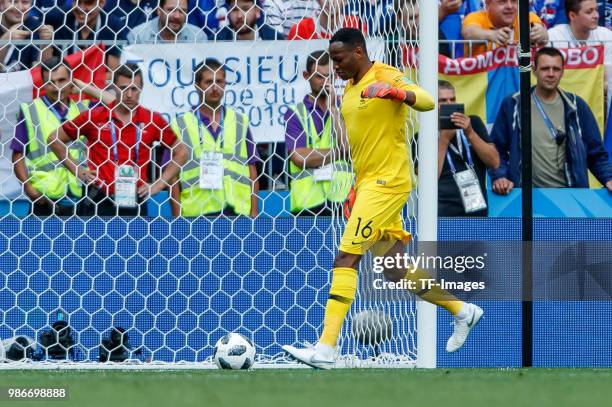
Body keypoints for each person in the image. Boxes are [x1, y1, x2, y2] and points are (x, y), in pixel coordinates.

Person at [282, 28, 484, 369]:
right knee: (394, 268)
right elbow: (356, 144)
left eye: (339, 59)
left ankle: (326, 348)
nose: (335, 67)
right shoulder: (347, 91)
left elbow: (427, 100)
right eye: (331, 61)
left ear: (359, 51)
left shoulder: (385, 73)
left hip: (388, 183)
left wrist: (395, 92)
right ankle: (462, 310)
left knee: (346, 258)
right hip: (368, 184)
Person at [48, 64, 188, 216]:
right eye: (123, 88)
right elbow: (54, 139)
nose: (129, 94)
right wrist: (78, 170)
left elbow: (181, 152)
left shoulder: (152, 120)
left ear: (141, 89)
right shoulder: (94, 116)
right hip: (98, 199)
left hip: (135, 199)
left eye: (134, 89)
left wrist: (159, 184)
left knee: (133, 240)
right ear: (114, 87)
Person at [490, 47, 612, 193]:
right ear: (534, 70)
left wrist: (608, 178)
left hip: (570, 196)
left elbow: (596, 153)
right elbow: (496, 148)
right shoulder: (514, 104)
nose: (551, 74)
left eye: (556, 69)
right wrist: (500, 176)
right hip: (526, 196)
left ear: (563, 72)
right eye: (545, 68)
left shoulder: (576, 105)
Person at [169, 59, 259, 217]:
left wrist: (254, 211)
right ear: (197, 85)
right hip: (197, 212)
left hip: (237, 210)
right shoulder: (180, 124)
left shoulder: (240, 121)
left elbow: (252, 168)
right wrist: (177, 217)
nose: (215, 87)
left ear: (225, 84)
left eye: (220, 81)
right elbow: (172, 176)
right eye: (208, 82)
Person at [11, 57, 90, 215]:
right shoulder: (31, 110)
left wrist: (84, 87)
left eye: (62, 80)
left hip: (80, 195)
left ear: (71, 80)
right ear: (42, 84)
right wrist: (29, 188)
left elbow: (117, 104)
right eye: (50, 82)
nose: (57, 87)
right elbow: (18, 154)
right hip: (45, 198)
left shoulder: (84, 109)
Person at [284, 50, 351, 216]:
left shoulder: (346, 109)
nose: (325, 82)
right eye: (319, 77)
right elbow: (299, 158)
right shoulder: (295, 113)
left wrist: (333, 109)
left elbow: (349, 149)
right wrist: (339, 152)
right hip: (307, 204)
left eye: (329, 76)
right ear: (307, 75)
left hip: (342, 201)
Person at [436, 80, 500, 216]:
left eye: (452, 99)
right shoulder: (422, 137)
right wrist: (444, 140)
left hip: (476, 212)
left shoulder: (474, 123)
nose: (449, 104)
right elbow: (429, 179)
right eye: (442, 101)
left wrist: (470, 133)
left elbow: (494, 162)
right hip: (441, 215)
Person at [548, 0, 612, 102]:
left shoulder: (606, 35)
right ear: (572, 16)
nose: (596, 15)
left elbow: (608, 81)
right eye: (589, 12)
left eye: (596, 10)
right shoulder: (553, 36)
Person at [45, 0, 128, 72]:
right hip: (60, 84)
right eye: (77, 2)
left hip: (98, 86)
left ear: (101, 3)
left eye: (88, 3)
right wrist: (45, 40)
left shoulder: (113, 25)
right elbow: (44, 71)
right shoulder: (57, 18)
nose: (81, 8)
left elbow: (113, 73)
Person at [462, 0, 548, 56]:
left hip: (518, 81)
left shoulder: (526, 17)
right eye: (502, 2)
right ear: (488, 4)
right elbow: (469, 32)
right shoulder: (476, 17)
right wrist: (492, 35)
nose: (510, 6)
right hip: (483, 82)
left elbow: (542, 32)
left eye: (514, 1)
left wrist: (541, 34)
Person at [0, 0, 53, 72]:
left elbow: (44, 73)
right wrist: (5, 40)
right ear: (1, 4)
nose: (20, 8)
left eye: (25, 2)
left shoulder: (35, 27)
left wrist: (46, 44)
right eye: (14, 2)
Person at [128, 0, 207, 43]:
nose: (177, 16)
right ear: (159, 10)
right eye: (171, 10)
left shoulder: (198, 37)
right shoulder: (138, 35)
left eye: (182, 11)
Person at [288, 0, 366, 40]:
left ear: (345, 1)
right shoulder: (300, 29)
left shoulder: (356, 25)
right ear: (318, 1)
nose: (330, 2)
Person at [215, 0, 284, 40]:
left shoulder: (275, 38)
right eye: (234, 9)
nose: (239, 16)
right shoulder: (215, 41)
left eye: (245, 9)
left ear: (257, 12)